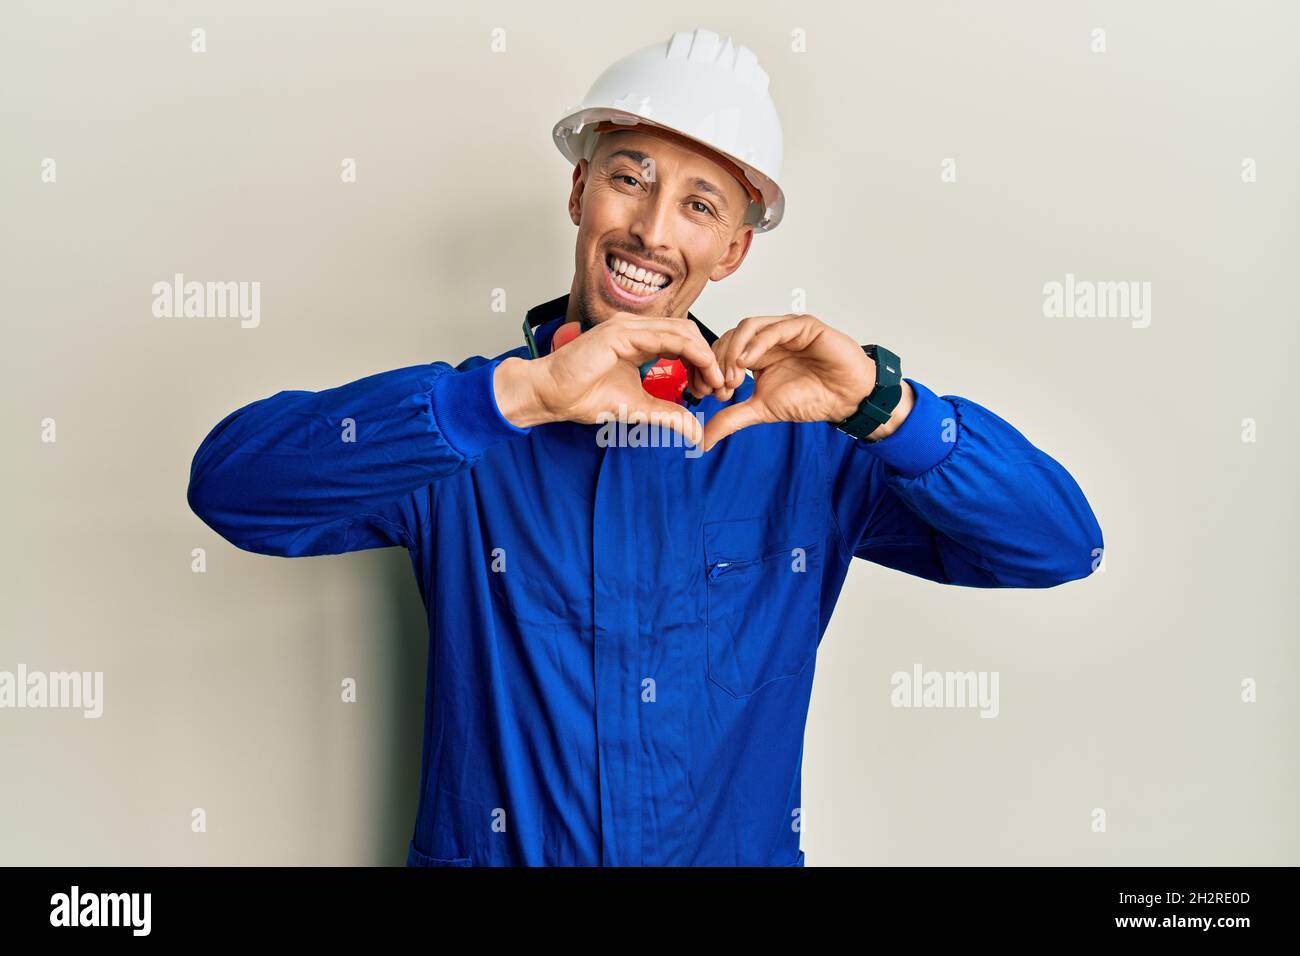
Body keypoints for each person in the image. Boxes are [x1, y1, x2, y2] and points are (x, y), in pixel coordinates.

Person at [187, 29, 1103, 866]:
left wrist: (885, 406)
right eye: (630, 177)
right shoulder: (472, 425)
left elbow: (1057, 544)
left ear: (734, 252)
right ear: (580, 191)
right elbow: (233, 487)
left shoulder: (803, 441)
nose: (653, 231)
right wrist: (515, 396)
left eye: (699, 205)